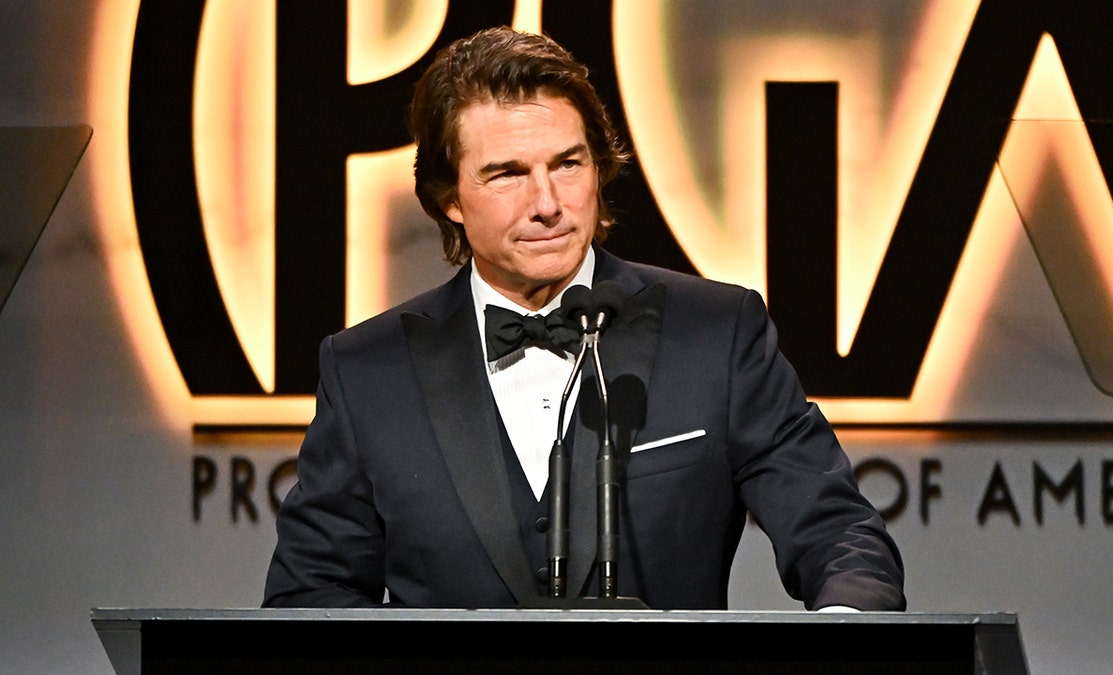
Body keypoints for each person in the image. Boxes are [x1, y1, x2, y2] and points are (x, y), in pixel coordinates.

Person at [263, 26, 904, 611]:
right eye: (507, 174)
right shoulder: (367, 371)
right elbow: (311, 594)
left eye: (568, 165)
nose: (548, 203)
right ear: (449, 198)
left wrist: (844, 633)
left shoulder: (717, 332)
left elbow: (837, 531)